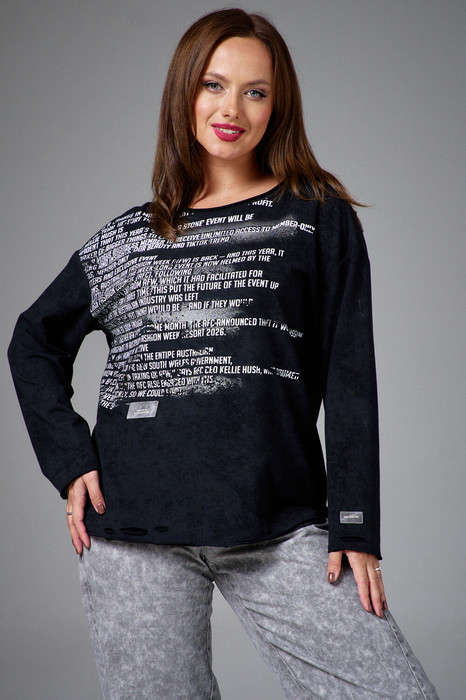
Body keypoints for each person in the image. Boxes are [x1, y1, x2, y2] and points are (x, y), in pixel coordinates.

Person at [8, 8, 439, 699]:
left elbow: (351, 377)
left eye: (255, 91)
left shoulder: (317, 216)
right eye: (213, 85)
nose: (231, 109)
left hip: (279, 526)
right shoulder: (127, 239)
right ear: (184, 92)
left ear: (277, 106)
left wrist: (356, 525)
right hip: (132, 532)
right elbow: (33, 340)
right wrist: (69, 459)